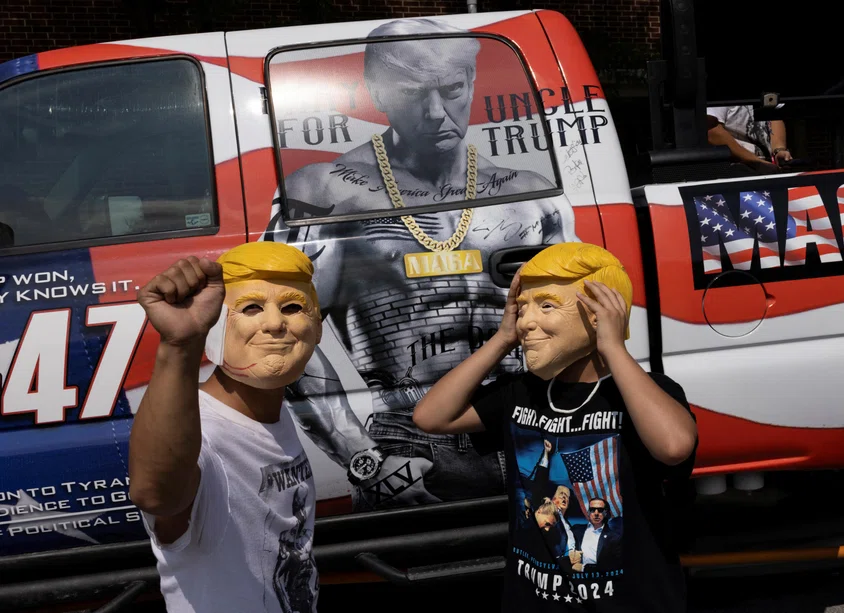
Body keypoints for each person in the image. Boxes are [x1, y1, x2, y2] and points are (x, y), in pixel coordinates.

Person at [269, 16, 578, 511]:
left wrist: (576, 424)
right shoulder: (327, 192)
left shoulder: (529, 195)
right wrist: (362, 458)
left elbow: (579, 329)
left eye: (452, 88)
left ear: (472, 81)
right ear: (377, 91)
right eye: (413, 93)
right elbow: (276, 330)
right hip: (409, 442)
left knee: (551, 575)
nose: (437, 112)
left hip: (532, 425)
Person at [412, 242, 698, 612]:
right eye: (523, 307)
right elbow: (431, 417)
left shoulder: (645, 392)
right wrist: (502, 339)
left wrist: (612, 346)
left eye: (546, 305)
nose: (527, 321)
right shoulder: (521, 393)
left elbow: (674, 447)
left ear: (600, 313)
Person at [128, 242, 322, 613]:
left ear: (318, 327)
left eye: (292, 307)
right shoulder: (201, 432)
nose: (274, 323)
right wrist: (179, 344)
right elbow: (157, 495)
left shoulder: (272, 412)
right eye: (251, 308)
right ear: (215, 326)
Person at [707, 105, 792, 173]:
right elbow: (712, 131)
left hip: (769, 166)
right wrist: (756, 162)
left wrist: (779, 149)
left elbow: (774, 116)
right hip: (736, 168)